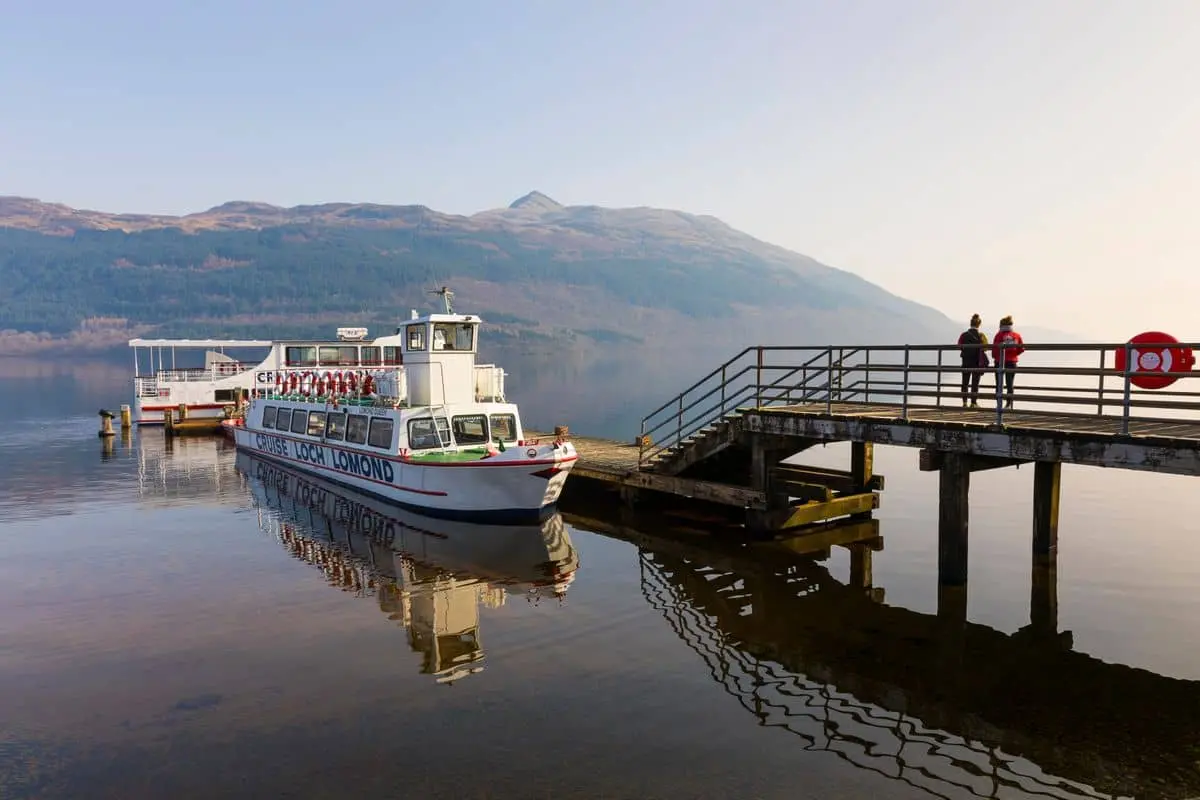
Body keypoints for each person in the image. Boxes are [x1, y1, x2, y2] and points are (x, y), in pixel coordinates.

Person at [992, 315, 1025, 408]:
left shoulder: (999, 335)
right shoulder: (1016, 335)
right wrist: (1014, 354)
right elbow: (1021, 349)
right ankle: (1009, 404)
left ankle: (999, 404)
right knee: (1010, 384)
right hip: (1012, 362)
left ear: (1001, 325)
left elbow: (994, 349)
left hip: (999, 362)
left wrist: (995, 356)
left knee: (999, 384)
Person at [956, 314, 989, 407]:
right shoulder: (981, 335)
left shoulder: (963, 335)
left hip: (966, 361)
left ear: (970, 324)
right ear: (979, 324)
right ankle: (973, 403)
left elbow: (959, 345)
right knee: (975, 383)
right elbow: (986, 347)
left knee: (965, 382)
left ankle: (964, 402)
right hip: (977, 362)